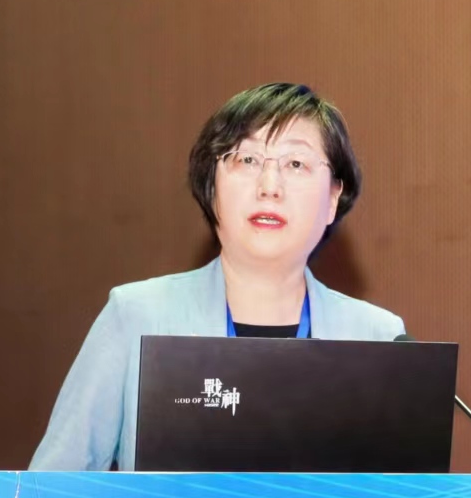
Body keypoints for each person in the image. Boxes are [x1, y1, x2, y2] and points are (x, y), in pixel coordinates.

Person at [29, 82, 405, 471]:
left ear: (332, 198)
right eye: (247, 159)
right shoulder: (138, 317)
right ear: (212, 187)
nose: (269, 186)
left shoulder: (380, 340)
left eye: (296, 164)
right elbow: (49, 492)